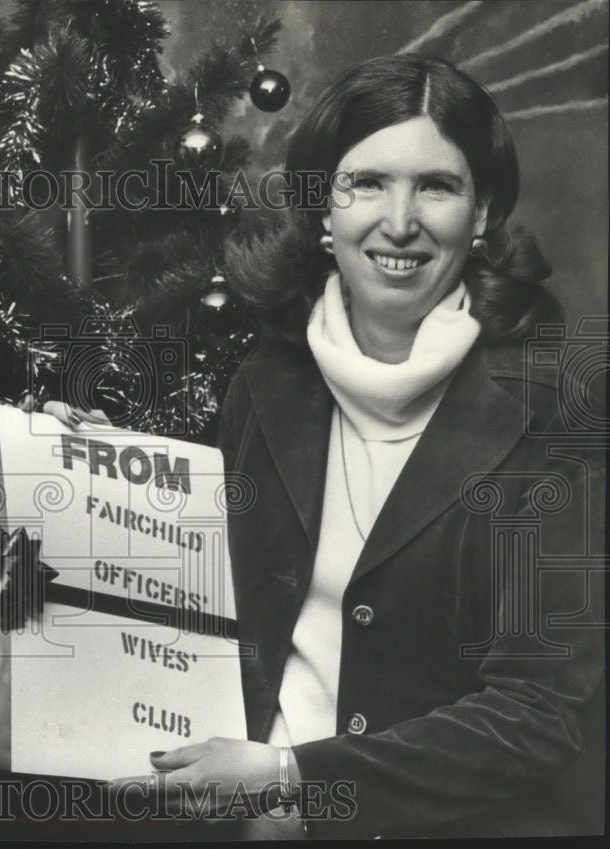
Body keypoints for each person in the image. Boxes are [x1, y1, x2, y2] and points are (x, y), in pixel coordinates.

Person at [113, 54, 606, 839]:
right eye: (367, 183)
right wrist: (80, 466)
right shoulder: (266, 382)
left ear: (481, 212)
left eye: (436, 186)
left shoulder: (558, 412)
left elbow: (538, 715)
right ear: (321, 207)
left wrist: (297, 783)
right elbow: (199, 598)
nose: (399, 222)